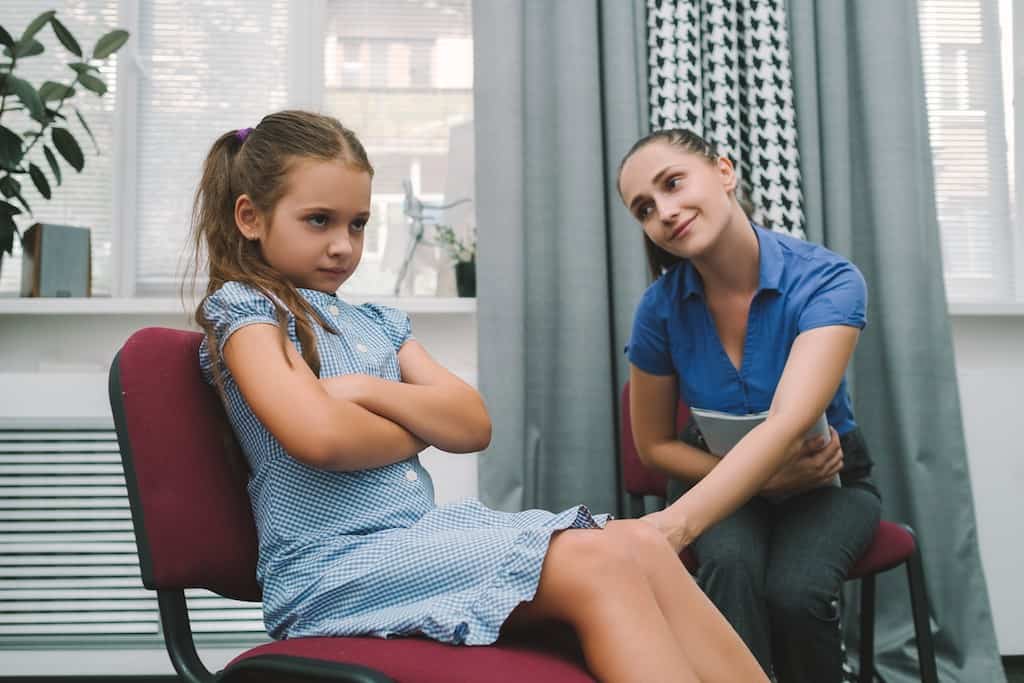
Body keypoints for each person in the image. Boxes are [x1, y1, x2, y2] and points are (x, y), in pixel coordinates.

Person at [186, 110, 767, 683]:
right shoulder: (248, 311)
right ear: (251, 218)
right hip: (333, 569)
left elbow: (471, 425)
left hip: (417, 543)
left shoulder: (378, 323)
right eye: (319, 221)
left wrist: (365, 390)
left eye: (358, 224)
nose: (343, 245)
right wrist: (421, 425)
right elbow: (321, 438)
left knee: (641, 541)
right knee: (599, 560)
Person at [617, 129, 883, 683]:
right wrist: (757, 481)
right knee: (730, 570)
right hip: (711, 471)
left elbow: (789, 421)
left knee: (795, 592)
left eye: (673, 184)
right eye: (645, 207)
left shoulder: (828, 279)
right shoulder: (658, 309)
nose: (664, 211)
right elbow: (653, 445)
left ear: (724, 171)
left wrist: (669, 529)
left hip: (826, 478)